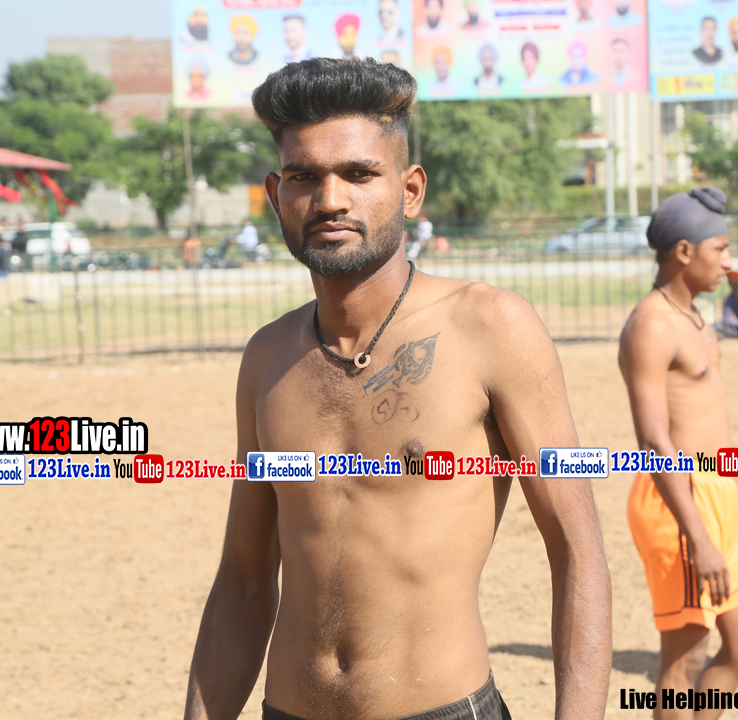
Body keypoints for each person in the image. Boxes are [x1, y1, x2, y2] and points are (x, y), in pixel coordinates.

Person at [183, 57, 612, 720]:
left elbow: (577, 552)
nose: (330, 200)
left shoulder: (490, 327)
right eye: (304, 177)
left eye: (359, 174)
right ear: (276, 194)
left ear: (410, 190)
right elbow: (243, 581)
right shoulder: (268, 357)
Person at [621, 187, 738, 720]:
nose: (729, 262)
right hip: (676, 501)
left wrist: (733, 489)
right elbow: (654, 441)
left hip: (713, 490)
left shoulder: (694, 317)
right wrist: (698, 535)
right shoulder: (652, 325)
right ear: (684, 252)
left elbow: (708, 417)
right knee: (683, 664)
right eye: (720, 249)